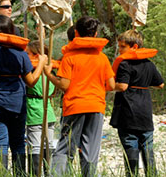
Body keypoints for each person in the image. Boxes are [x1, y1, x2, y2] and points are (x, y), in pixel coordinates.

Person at [0, 15, 47, 176]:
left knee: (0, 144)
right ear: (12, 31)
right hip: (16, 102)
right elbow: (31, 81)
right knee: (18, 143)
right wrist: (41, 64)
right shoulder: (20, 53)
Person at [44, 16, 115, 177]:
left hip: (75, 106)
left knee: (65, 148)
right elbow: (110, 85)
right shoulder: (102, 57)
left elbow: (64, 85)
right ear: (96, 34)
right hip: (96, 106)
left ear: (76, 33)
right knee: (90, 151)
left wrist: (49, 74)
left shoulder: (70, 57)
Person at [109, 30, 164, 177]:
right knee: (148, 150)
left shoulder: (125, 64)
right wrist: (143, 83)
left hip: (128, 114)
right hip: (145, 114)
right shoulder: (149, 64)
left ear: (133, 46)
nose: (119, 50)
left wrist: (106, 86)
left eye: (122, 47)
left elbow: (122, 86)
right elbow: (160, 85)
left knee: (130, 149)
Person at [25, 41, 57, 176]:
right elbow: (54, 93)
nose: (25, 56)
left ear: (36, 55)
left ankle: (35, 174)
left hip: (34, 112)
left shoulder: (32, 72)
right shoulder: (52, 72)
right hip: (49, 113)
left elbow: (30, 84)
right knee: (47, 146)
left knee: (35, 147)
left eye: (27, 54)